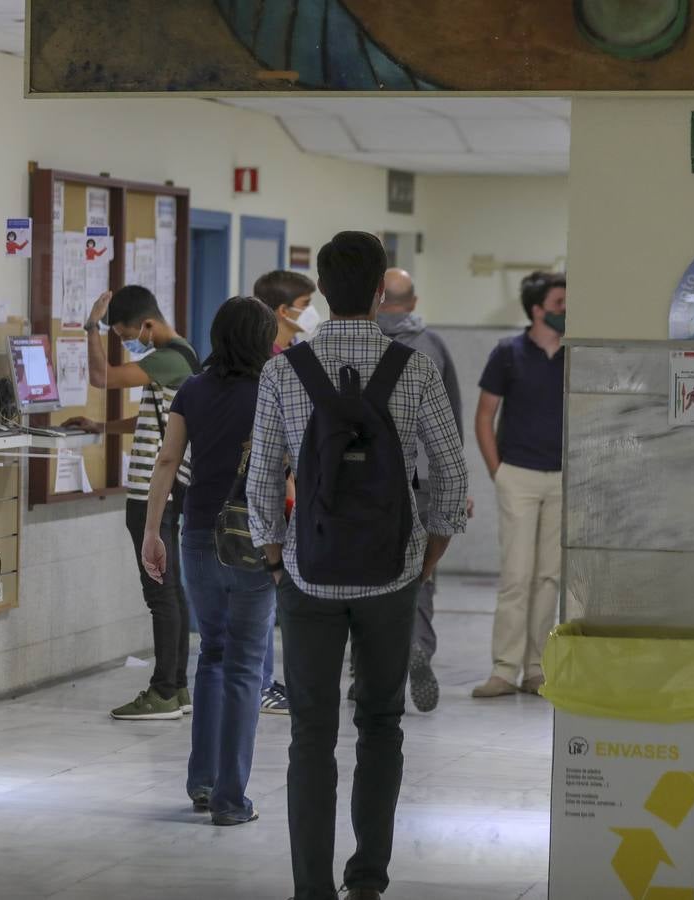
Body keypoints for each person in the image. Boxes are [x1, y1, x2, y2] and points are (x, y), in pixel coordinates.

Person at [247, 231, 468, 900]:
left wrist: (276, 555)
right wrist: (426, 557)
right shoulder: (415, 368)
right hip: (390, 577)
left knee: (310, 736)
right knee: (380, 723)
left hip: (308, 576)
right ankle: (367, 877)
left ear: (322, 288)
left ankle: (309, 887)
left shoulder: (284, 370)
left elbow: (261, 479)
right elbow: (452, 481)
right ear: (379, 293)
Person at [141, 296, 278, 825]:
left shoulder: (193, 389)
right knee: (246, 664)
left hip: (197, 535)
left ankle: (201, 782)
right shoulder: (273, 389)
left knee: (212, 657)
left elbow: (169, 460)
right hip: (254, 537)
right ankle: (229, 799)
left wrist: (153, 531)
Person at [64, 285, 200, 720]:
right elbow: (157, 417)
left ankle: (163, 690)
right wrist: (104, 427)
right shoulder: (183, 355)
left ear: (146, 325)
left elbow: (102, 377)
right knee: (171, 590)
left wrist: (91, 327)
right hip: (168, 488)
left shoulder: (168, 358)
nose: (126, 343)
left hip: (150, 492)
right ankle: (176, 689)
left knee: (160, 592)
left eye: (124, 335)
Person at [375, 267, 473, 713]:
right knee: (419, 571)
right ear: (412, 303)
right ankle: (417, 645)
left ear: (378, 299)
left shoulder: (357, 343)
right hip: (422, 479)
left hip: (366, 480)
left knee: (366, 572)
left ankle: (370, 669)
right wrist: (454, 486)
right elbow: (449, 423)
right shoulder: (431, 347)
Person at [472, 271, 566, 699]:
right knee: (517, 575)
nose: (568, 311)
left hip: (564, 478)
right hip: (519, 475)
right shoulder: (508, 353)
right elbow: (484, 416)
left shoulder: (578, 354)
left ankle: (536, 670)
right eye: (561, 304)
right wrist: (498, 472)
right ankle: (504, 669)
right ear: (537, 310)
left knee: (549, 577)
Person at [250, 269, 319, 715]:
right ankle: (260, 683)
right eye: (306, 303)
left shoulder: (296, 355)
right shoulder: (268, 364)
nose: (312, 313)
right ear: (282, 310)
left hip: (293, 488)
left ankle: (269, 680)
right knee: (261, 595)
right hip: (270, 490)